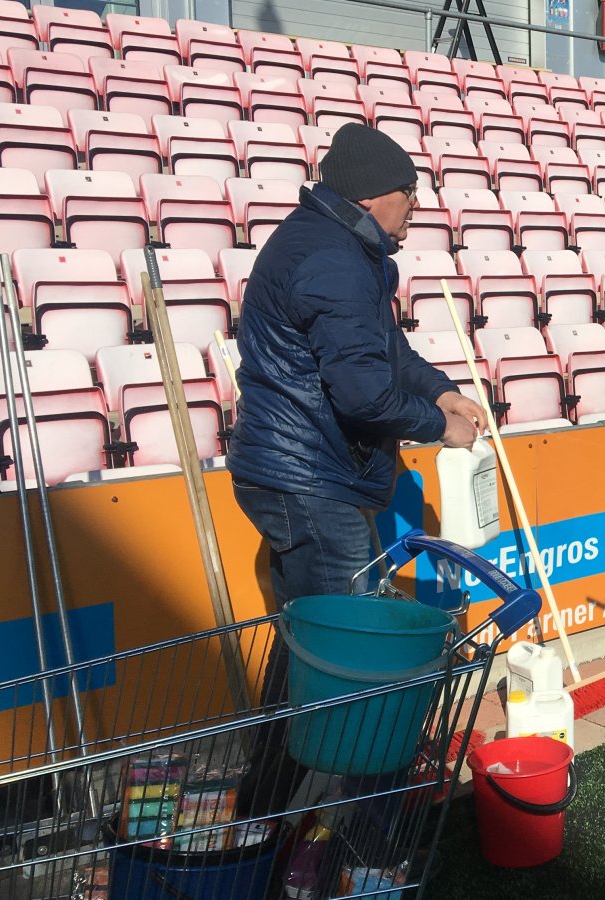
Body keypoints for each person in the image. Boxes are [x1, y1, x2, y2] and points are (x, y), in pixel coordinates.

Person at [228, 123, 487, 818]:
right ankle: (342, 812)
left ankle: (269, 804)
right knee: (344, 649)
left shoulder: (344, 248)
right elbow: (365, 395)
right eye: (409, 193)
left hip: (307, 471)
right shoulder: (333, 260)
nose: (416, 206)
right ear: (373, 196)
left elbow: (385, 352)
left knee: (310, 643)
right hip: (308, 478)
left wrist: (440, 391)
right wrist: (439, 426)